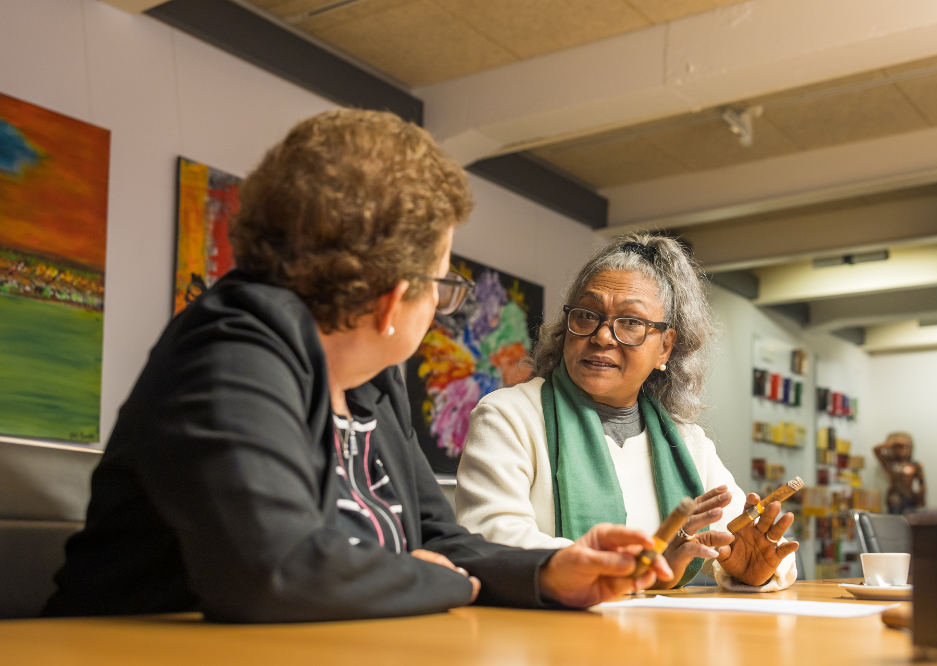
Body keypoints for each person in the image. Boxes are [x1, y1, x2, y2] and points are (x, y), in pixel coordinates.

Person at [43, 110, 672, 623]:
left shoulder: (373, 378)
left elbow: (438, 538)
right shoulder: (229, 348)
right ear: (393, 299)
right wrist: (445, 585)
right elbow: (272, 572)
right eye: (441, 284)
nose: (440, 304)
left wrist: (548, 572)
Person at [455, 234, 798, 591]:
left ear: (665, 347)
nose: (602, 336)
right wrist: (636, 569)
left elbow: (749, 540)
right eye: (587, 315)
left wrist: (751, 569)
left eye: (631, 322)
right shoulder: (509, 416)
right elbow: (491, 540)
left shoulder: (687, 444)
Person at [874, 431, 926, 514]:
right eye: (900, 447)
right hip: (895, 499)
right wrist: (892, 442)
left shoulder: (916, 466)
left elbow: (922, 484)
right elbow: (876, 450)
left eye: (907, 447)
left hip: (911, 498)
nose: (904, 450)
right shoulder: (891, 464)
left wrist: (921, 500)